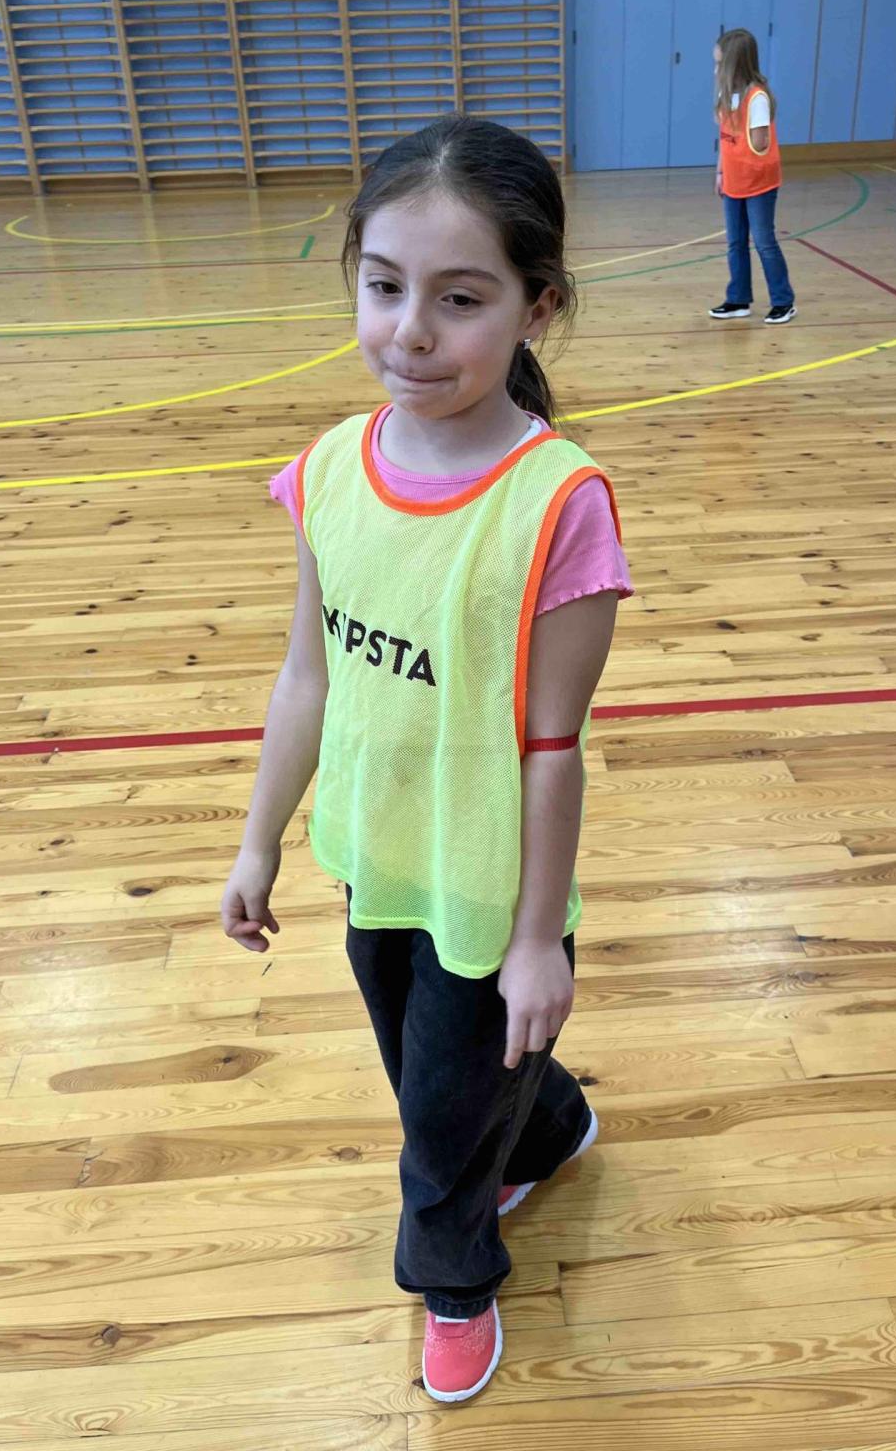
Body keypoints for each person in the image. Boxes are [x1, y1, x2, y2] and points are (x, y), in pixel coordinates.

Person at [220, 115, 632, 1404]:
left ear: (536, 307)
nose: (410, 331)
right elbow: (308, 674)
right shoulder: (330, 473)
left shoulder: (559, 504)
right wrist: (259, 836)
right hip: (375, 855)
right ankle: (552, 1124)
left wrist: (538, 938)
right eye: (384, 286)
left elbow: (553, 749)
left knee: (438, 1119)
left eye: (461, 299)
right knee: (434, 1072)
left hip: (489, 885)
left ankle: (451, 1275)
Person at [709, 26, 797, 324]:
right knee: (735, 242)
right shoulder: (725, 96)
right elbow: (724, 140)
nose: (716, 69)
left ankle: (783, 301)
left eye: (720, 63)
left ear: (735, 64)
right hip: (734, 182)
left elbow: (759, 143)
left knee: (764, 242)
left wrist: (742, 128)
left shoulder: (757, 98)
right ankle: (738, 299)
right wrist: (720, 172)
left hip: (758, 182)